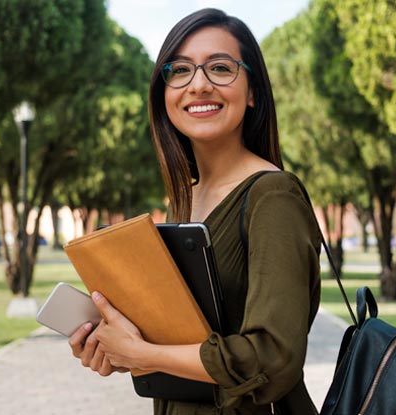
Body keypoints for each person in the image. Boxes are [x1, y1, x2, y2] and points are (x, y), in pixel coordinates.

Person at [67, 8, 323, 415]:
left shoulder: (273, 196)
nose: (199, 85)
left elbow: (274, 359)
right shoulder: (186, 199)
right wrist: (122, 350)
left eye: (220, 68)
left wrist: (146, 354)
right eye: (180, 70)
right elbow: (188, 339)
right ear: (163, 92)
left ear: (252, 91)